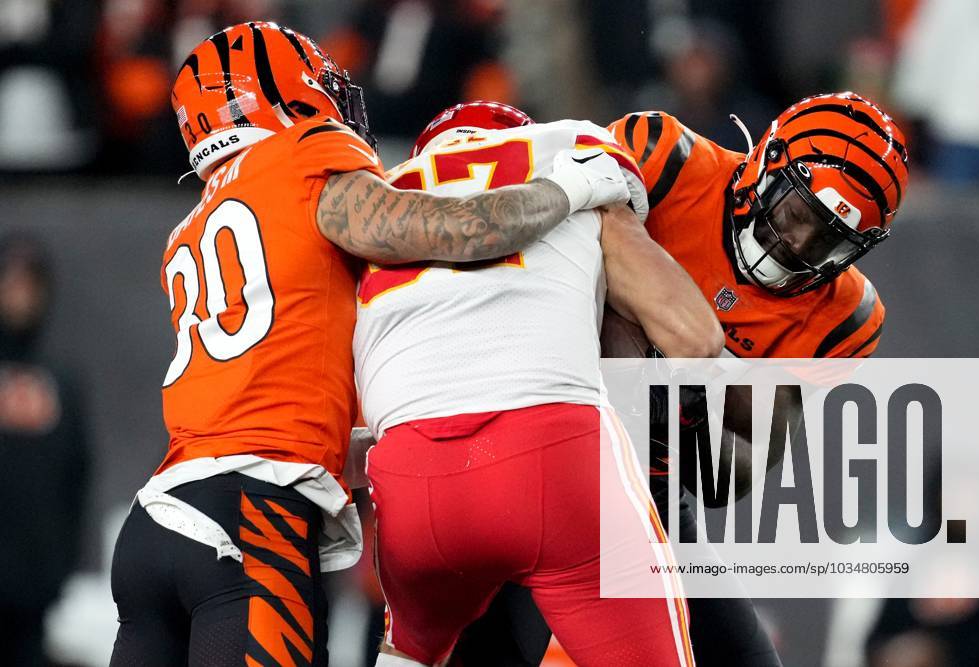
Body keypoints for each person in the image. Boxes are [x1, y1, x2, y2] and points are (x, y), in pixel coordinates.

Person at [109, 22, 633, 667]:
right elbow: (453, 232)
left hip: (155, 525)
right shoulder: (301, 154)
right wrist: (572, 188)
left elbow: (271, 390)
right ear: (282, 92)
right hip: (249, 523)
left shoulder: (188, 229)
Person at [455, 91, 909, 667]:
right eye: (797, 214)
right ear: (765, 164)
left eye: (827, 240)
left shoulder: (843, 319)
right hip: (536, 446)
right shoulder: (665, 159)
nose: (796, 245)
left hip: (649, 483)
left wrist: (690, 398)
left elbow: (730, 477)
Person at [355, 100, 723, 667]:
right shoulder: (575, 160)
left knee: (407, 651)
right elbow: (694, 337)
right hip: (554, 456)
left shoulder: (375, 204)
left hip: (411, 480)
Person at [0, 232, 91, 667]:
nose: (19, 294)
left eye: (29, 283)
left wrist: (64, 564)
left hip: (36, 586)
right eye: (10, 281)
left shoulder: (62, 382)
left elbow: (78, 474)